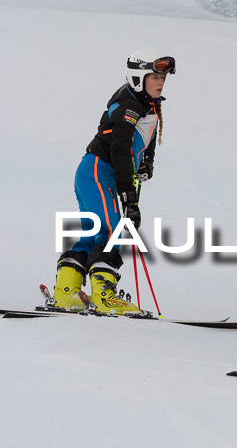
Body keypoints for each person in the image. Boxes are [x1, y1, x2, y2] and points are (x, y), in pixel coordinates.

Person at [49, 49, 175, 315]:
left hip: (93, 171)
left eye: (162, 77)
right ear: (139, 78)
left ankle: (65, 293)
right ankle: (104, 297)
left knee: (94, 233)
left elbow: (146, 134)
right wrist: (128, 196)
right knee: (111, 230)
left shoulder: (144, 102)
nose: (160, 81)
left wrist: (145, 161)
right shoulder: (129, 106)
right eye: (154, 76)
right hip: (99, 170)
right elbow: (119, 150)